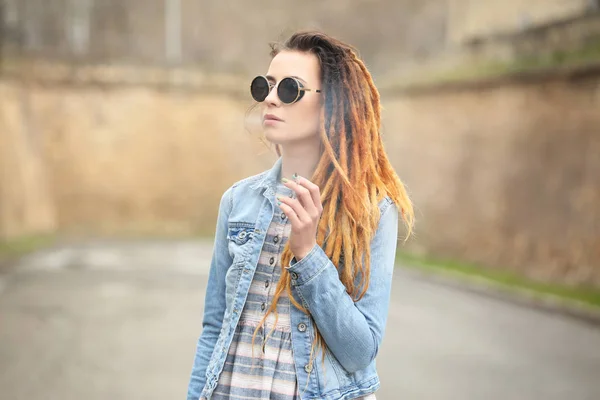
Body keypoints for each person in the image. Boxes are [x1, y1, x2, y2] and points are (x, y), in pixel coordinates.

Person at [186, 30, 414, 400]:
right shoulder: (237, 202)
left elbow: (360, 352)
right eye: (266, 86)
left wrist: (308, 253)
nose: (271, 100)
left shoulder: (371, 211)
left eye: (290, 89)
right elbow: (214, 328)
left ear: (333, 105)